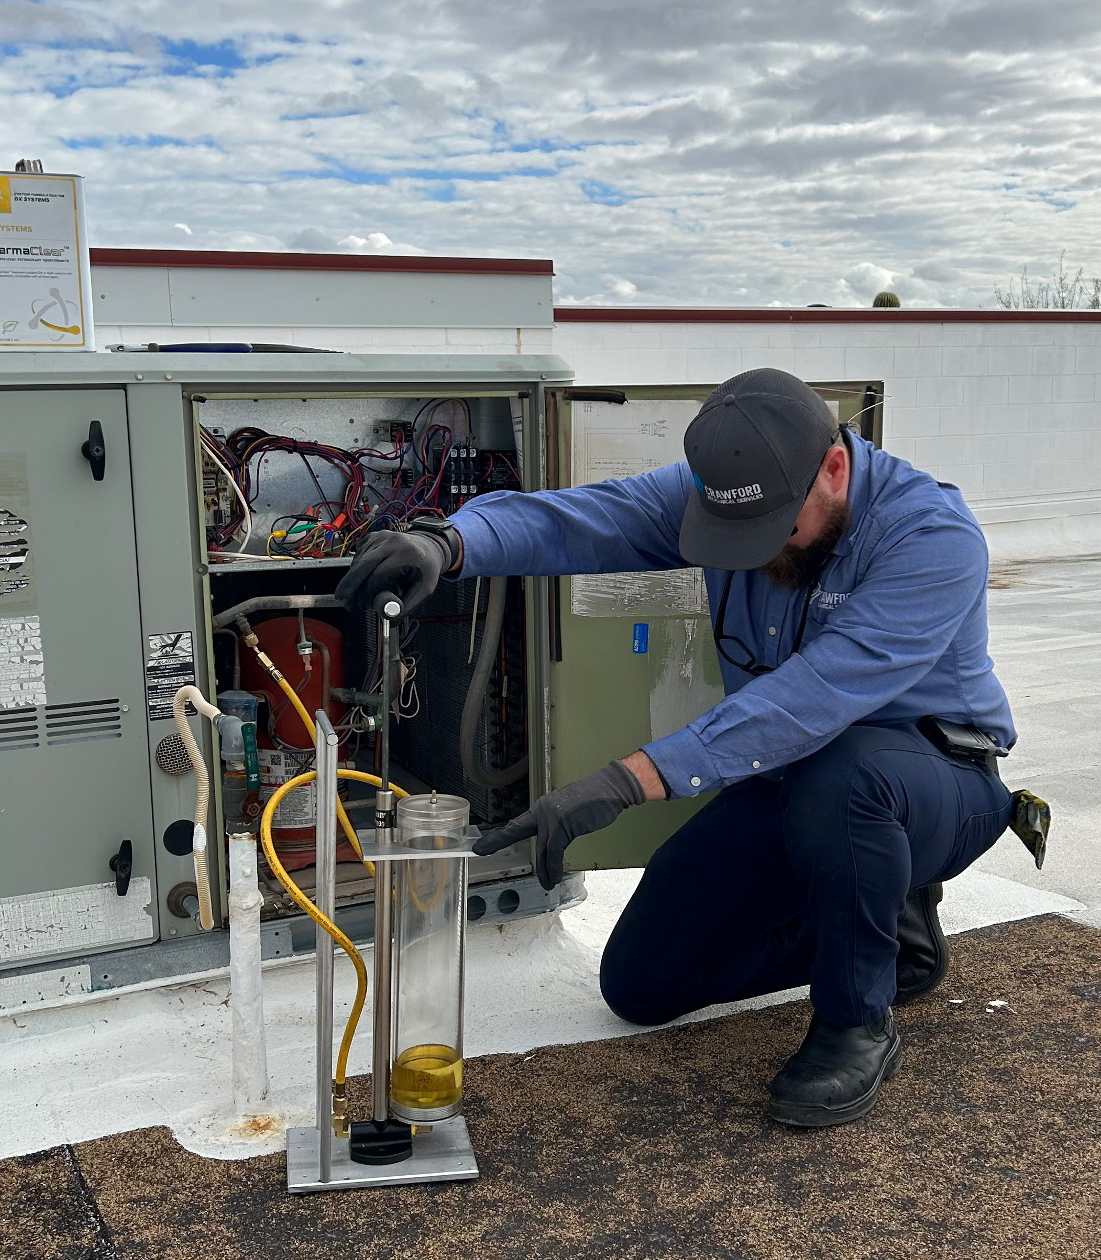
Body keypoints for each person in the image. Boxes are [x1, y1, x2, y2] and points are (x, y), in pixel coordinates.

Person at [335, 368, 1016, 1128]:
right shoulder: (727, 492)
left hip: (932, 780)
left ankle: (855, 1017)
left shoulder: (930, 536)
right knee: (642, 984)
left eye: (772, 530)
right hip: (793, 781)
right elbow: (585, 518)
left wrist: (630, 779)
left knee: (847, 776)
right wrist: (450, 542)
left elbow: (814, 697)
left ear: (833, 467)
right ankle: (889, 931)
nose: (754, 555)